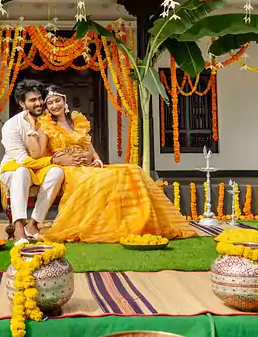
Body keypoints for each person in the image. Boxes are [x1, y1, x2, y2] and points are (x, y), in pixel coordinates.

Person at [38, 86, 196, 243]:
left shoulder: (77, 121)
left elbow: (90, 149)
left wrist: (97, 161)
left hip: (88, 167)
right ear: (46, 107)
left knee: (132, 170)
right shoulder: (45, 126)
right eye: (50, 103)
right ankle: (104, 227)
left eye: (57, 100)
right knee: (103, 180)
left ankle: (138, 223)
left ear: (64, 100)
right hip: (70, 170)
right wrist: (59, 159)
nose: (55, 105)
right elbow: (39, 154)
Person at [0, 79, 66, 245]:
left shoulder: (47, 120)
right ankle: (18, 228)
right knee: (21, 172)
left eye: (39, 98)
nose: (39, 103)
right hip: (13, 168)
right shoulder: (11, 126)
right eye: (32, 100)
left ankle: (33, 224)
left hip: (39, 168)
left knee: (57, 172)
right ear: (22, 103)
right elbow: (24, 160)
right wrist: (52, 159)